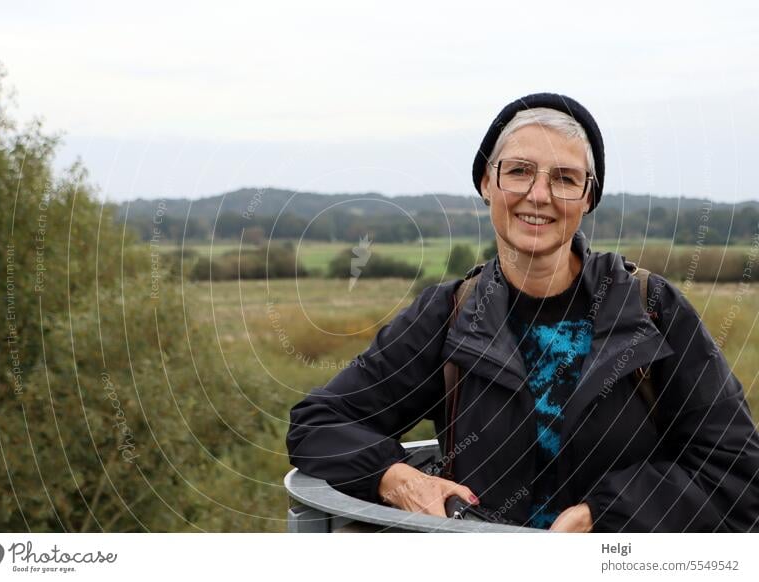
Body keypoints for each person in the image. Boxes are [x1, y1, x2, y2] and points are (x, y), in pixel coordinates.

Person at [285, 93, 759, 532]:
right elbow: (318, 422)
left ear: (588, 198)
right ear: (486, 183)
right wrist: (399, 479)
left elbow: (737, 468)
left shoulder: (650, 309)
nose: (539, 195)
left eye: (565, 178)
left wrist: (605, 516)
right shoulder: (449, 315)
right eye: (518, 171)